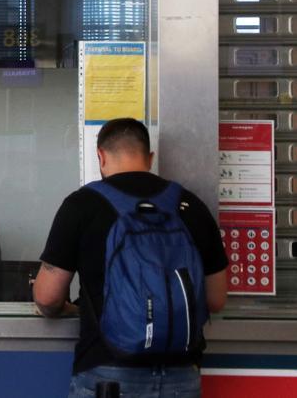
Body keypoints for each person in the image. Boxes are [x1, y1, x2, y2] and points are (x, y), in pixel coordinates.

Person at [33, 118, 228, 398]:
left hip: (108, 375)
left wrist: (63, 309)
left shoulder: (82, 205)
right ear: (150, 158)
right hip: (180, 376)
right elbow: (216, 299)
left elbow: (47, 297)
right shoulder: (191, 206)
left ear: (100, 155)